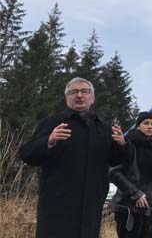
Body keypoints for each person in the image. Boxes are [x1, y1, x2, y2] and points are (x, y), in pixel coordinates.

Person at [18, 77, 129, 238]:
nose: (79, 95)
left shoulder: (104, 128)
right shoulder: (53, 123)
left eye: (84, 91)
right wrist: (48, 141)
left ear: (93, 98)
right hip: (57, 210)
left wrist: (122, 145)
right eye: (73, 92)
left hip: (91, 209)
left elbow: (116, 160)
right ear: (67, 98)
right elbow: (26, 154)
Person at [109, 112, 152, 238]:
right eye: (146, 123)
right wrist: (135, 193)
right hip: (128, 208)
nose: (150, 126)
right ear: (138, 126)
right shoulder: (129, 145)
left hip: (148, 209)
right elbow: (113, 172)